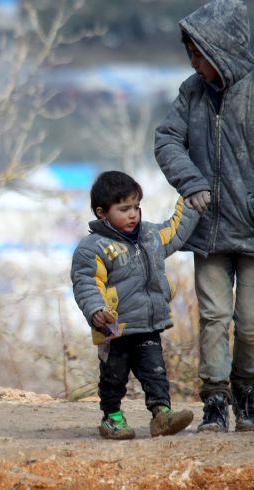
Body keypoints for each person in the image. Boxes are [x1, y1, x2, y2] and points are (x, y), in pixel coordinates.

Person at [154, 0, 254, 433]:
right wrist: (191, 183)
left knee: (250, 322)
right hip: (209, 228)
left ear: (224, 49)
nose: (194, 62)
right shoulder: (191, 92)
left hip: (252, 229)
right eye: (190, 53)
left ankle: (248, 394)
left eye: (200, 53)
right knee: (214, 317)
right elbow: (167, 140)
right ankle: (215, 399)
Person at [71, 171, 199, 440]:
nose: (133, 214)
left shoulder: (150, 236)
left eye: (136, 207)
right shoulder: (93, 248)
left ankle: (162, 415)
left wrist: (190, 200)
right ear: (101, 212)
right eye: (124, 208)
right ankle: (112, 418)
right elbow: (87, 282)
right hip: (113, 329)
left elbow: (175, 231)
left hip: (148, 324)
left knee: (156, 372)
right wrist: (97, 311)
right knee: (113, 377)